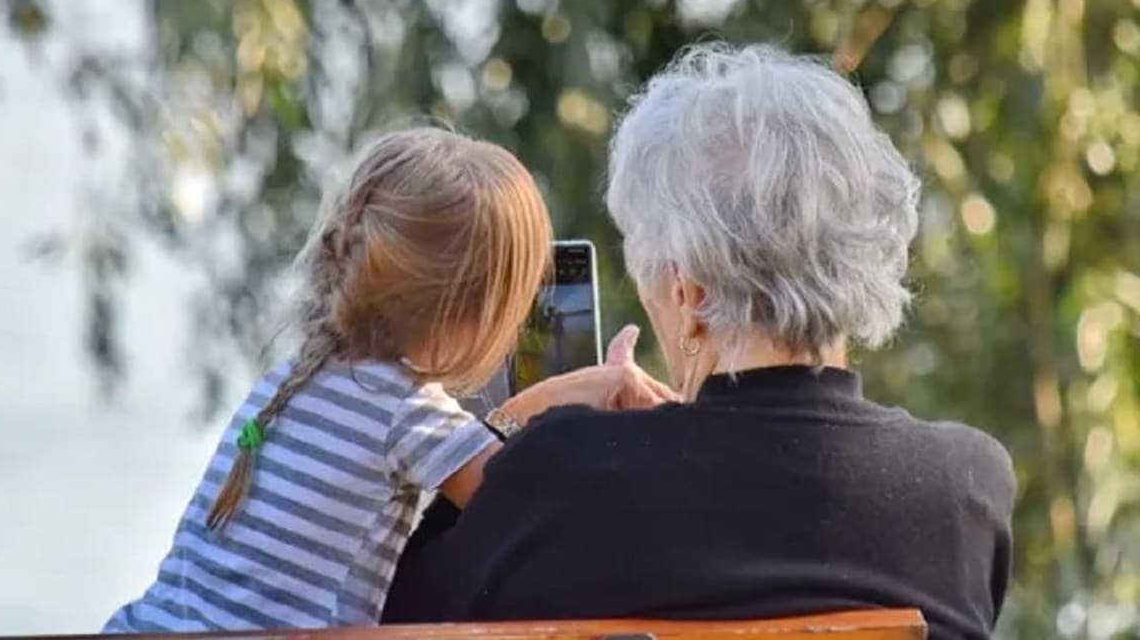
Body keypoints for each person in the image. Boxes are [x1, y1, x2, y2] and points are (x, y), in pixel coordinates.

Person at [382, 46, 1017, 640]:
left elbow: (392, 616)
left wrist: (509, 426)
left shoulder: (562, 475)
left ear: (688, 300)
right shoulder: (965, 491)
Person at [103, 128, 676, 633]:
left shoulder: (298, 375)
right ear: (470, 312)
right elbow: (517, 505)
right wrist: (576, 402)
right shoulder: (405, 410)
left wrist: (562, 392)